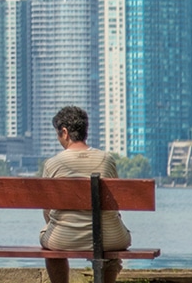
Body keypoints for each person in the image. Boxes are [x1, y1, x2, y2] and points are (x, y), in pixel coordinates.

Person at [39, 106, 132, 283]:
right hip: (109, 238)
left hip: (63, 238)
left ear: (64, 132)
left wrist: (58, 226)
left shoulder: (53, 164)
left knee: (50, 246)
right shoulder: (107, 160)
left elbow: (47, 210)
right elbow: (115, 204)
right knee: (111, 236)